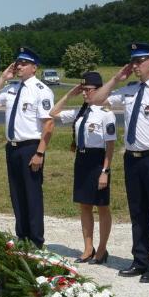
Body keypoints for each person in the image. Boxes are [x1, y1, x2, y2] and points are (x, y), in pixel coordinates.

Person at [89, 42, 149, 283]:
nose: (135, 66)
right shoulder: (129, 90)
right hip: (133, 159)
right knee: (138, 212)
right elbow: (97, 101)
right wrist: (115, 79)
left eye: (140, 61)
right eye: (133, 61)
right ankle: (140, 260)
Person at [0, 47, 55, 247]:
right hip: (12, 148)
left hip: (30, 147)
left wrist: (40, 152)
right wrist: (3, 78)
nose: (19, 66)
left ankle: (36, 241)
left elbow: (48, 125)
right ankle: (22, 236)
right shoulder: (12, 88)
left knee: (32, 195)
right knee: (16, 194)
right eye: (18, 63)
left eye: (24, 63)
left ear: (34, 67)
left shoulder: (41, 90)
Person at [49, 71, 116, 264]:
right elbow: (53, 113)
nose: (85, 93)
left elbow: (110, 145)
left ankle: (102, 249)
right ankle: (88, 248)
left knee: (102, 206)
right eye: (83, 89)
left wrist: (105, 171)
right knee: (84, 205)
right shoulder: (81, 111)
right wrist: (70, 94)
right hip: (82, 160)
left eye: (88, 89)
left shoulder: (106, 113)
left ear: (99, 90)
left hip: (98, 161)